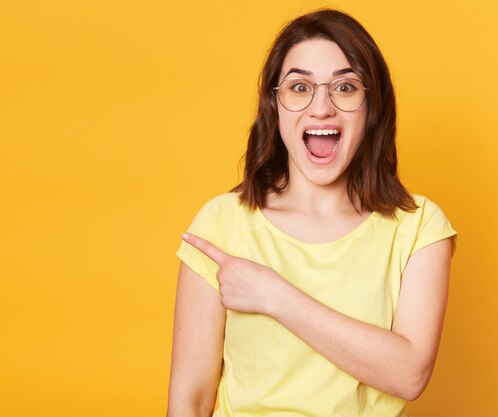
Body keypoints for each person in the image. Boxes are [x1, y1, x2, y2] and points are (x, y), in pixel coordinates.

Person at [166, 8, 457, 417]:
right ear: (275, 104)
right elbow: (190, 400)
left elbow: (409, 374)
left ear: (372, 107)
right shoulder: (221, 224)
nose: (321, 108)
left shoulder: (419, 227)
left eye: (345, 87)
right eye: (299, 87)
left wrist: (273, 295)